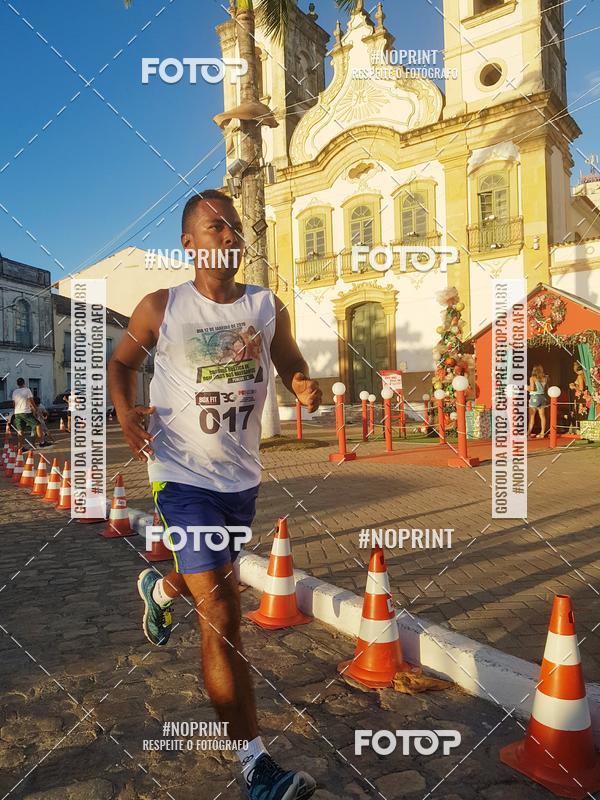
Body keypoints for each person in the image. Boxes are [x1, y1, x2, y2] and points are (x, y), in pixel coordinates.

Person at [108, 189, 322, 800]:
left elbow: (288, 361)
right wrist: (126, 414)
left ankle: (160, 585)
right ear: (189, 242)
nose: (229, 236)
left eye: (234, 228)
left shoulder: (265, 306)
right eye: (215, 227)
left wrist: (302, 381)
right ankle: (256, 766)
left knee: (215, 576)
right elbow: (122, 365)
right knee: (223, 612)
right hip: (181, 479)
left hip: (240, 482)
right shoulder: (161, 308)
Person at [11, 378, 42, 450]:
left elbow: (13, 403)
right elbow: (31, 401)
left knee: (20, 430)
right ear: (24, 383)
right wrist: (36, 409)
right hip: (26, 412)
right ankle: (41, 442)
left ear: (17, 384)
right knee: (38, 425)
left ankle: (20, 447)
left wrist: (17, 410)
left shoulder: (15, 392)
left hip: (17, 413)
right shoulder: (27, 390)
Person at [528, 365, 549, 438]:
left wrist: (526, 388)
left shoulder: (532, 378)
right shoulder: (545, 378)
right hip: (542, 397)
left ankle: (528, 433)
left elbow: (532, 388)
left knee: (532, 416)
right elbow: (546, 388)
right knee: (542, 416)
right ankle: (542, 433)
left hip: (534, 397)